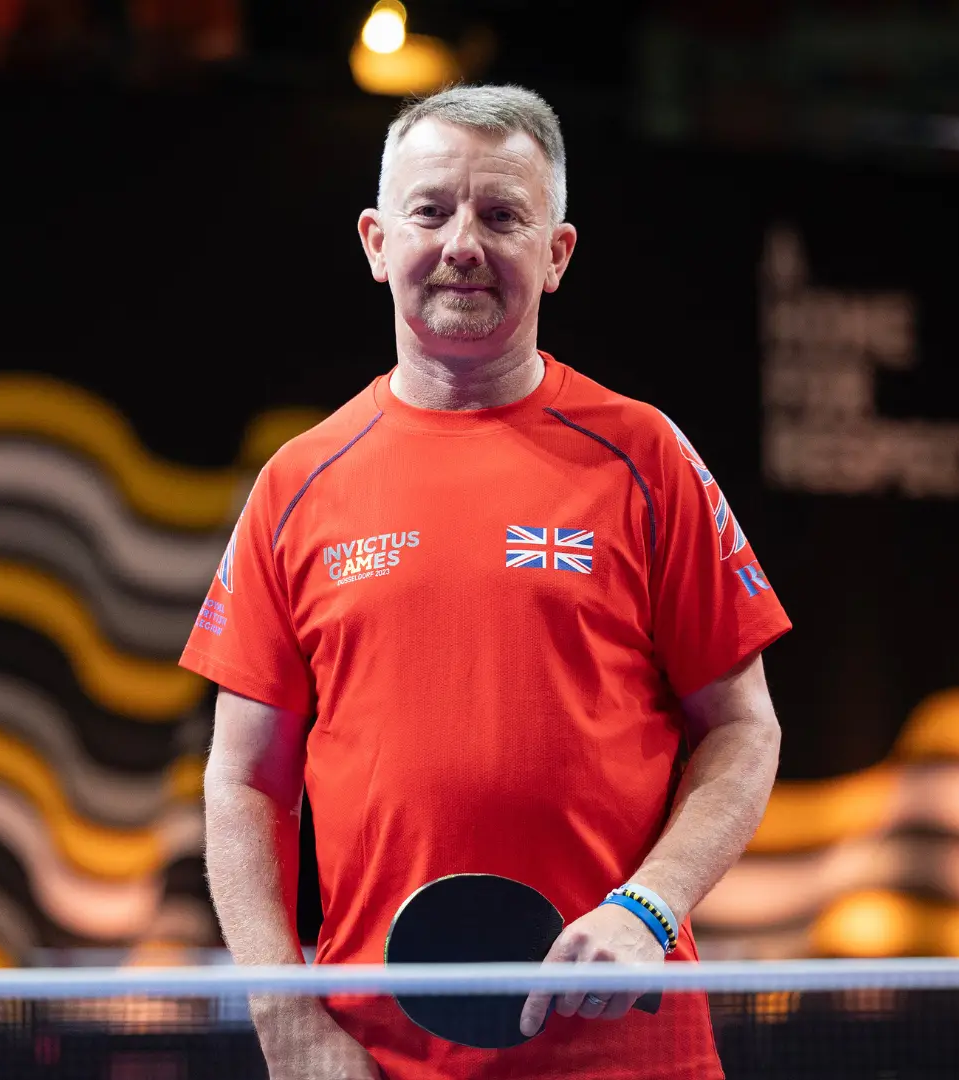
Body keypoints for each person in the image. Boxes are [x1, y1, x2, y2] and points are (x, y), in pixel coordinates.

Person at [183, 84, 790, 1079]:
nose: (463, 242)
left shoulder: (647, 458)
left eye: (503, 215)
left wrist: (649, 907)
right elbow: (244, 783)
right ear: (378, 242)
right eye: (432, 210)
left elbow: (745, 726)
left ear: (556, 256)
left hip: (626, 1054)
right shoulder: (298, 483)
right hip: (371, 1059)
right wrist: (289, 1025)